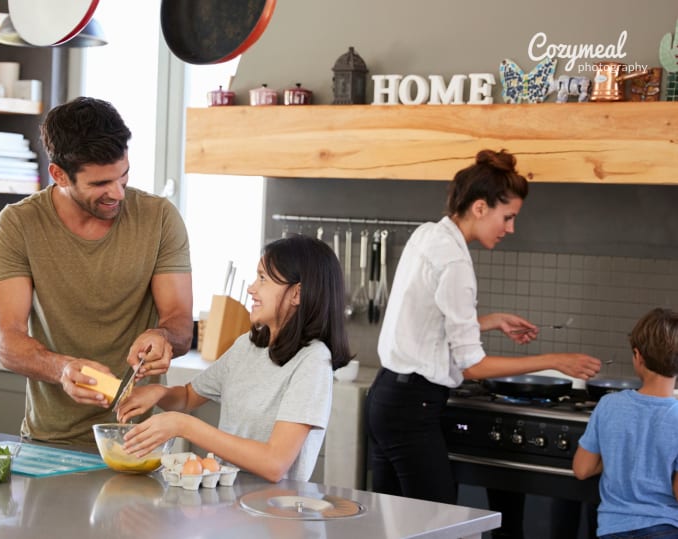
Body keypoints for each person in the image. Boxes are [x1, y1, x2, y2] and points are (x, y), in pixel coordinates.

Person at [365, 149, 602, 521]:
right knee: (434, 526)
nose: (510, 228)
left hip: (386, 397)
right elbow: (474, 367)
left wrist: (489, 321)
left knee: (391, 524)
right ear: (479, 207)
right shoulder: (457, 262)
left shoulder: (428, 234)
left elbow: (423, 323)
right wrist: (556, 360)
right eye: (507, 217)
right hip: (413, 408)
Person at [0, 96, 193, 447]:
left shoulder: (159, 218)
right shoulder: (18, 224)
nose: (117, 193)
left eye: (123, 176)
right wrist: (61, 369)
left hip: (138, 443)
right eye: (100, 184)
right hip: (49, 441)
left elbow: (180, 324)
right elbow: (7, 341)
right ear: (58, 174)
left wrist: (164, 338)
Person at [117, 234, 353, 482]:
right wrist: (159, 393)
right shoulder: (247, 346)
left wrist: (183, 425)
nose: (252, 288)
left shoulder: (313, 360)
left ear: (297, 294)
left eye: (263, 278)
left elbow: (275, 463)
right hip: (228, 504)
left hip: (273, 513)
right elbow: (188, 396)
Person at [573, 307, 678, 538]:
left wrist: (618, 457)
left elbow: (582, 469)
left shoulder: (609, 405)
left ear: (638, 356)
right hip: (666, 529)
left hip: (613, 529)